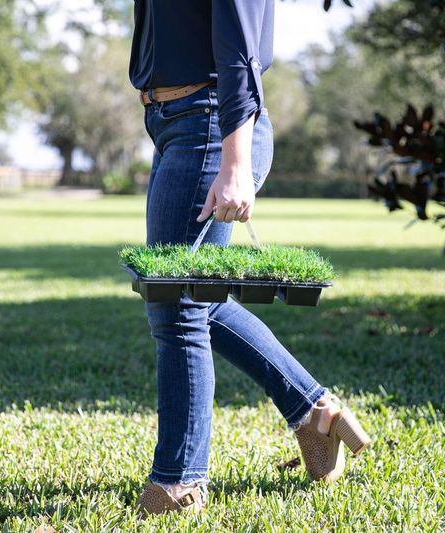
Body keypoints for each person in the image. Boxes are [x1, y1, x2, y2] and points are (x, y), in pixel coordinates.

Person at [128, 0, 371, 515]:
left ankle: (179, 484)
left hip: (212, 124)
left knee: (178, 305)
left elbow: (239, 45)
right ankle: (314, 412)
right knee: (198, 300)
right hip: (174, 122)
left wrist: (235, 163)